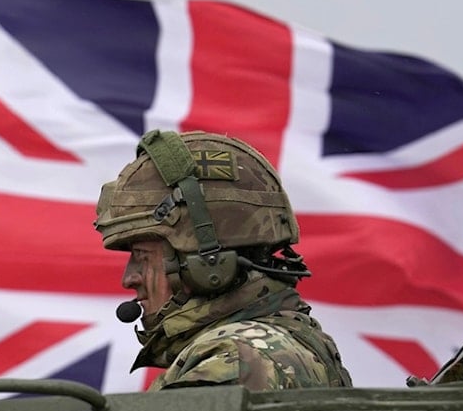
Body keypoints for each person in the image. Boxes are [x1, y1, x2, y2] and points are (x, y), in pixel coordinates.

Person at [95, 129, 352, 391]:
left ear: (208, 263)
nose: (129, 278)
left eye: (142, 257)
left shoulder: (236, 358)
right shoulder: (273, 344)